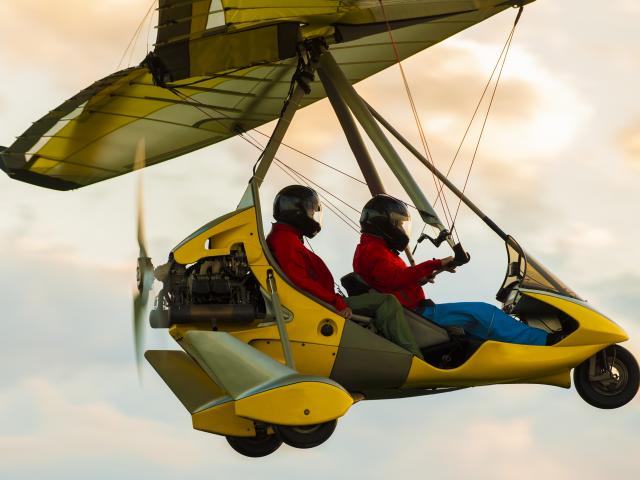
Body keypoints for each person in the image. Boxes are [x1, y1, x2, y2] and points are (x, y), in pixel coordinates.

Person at [353, 194, 551, 346]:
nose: (400, 228)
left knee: (477, 331)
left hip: (414, 312)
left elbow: (389, 282)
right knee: (482, 313)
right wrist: (435, 264)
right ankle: (544, 341)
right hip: (416, 315)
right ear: (382, 221)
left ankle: (526, 345)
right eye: (397, 222)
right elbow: (393, 280)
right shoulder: (372, 250)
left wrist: (422, 276)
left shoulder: (375, 249)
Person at [266, 185, 424, 358]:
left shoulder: (284, 237)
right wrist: (337, 301)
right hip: (321, 304)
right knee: (386, 301)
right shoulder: (285, 241)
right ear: (297, 212)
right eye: (311, 211)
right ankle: (414, 357)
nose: (313, 216)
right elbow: (300, 280)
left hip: (321, 301)